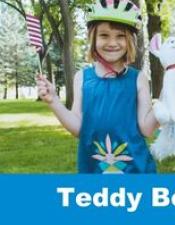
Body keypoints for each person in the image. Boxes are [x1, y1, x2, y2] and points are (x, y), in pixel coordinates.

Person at [36, 0, 157, 173]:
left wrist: (165, 106)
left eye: (120, 36)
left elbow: (146, 128)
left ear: (130, 39)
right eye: (104, 35)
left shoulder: (138, 78)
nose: (112, 42)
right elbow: (79, 129)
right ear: (93, 38)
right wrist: (54, 101)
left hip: (136, 169)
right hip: (94, 168)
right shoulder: (82, 78)